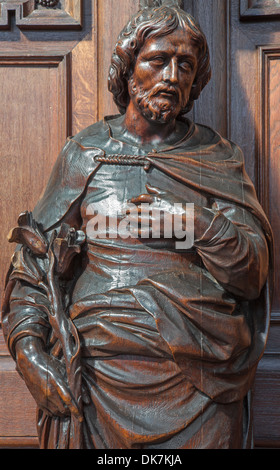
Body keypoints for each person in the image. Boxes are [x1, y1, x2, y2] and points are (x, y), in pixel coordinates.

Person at [1, 3, 273, 449]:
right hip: (96, 378)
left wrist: (193, 220)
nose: (172, 75)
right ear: (129, 68)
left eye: (185, 64)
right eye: (158, 59)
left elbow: (250, 276)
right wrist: (30, 354)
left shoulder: (216, 158)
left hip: (200, 384)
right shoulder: (87, 153)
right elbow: (34, 262)